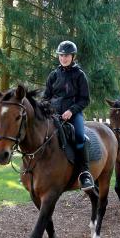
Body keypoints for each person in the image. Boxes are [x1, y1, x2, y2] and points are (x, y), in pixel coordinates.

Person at [43, 40, 95, 191]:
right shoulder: (53, 75)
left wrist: (71, 110)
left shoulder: (80, 75)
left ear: (73, 57)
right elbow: (46, 97)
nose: (63, 58)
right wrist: (46, 108)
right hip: (54, 114)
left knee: (79, 135)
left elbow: (85, 99)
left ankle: (85, 174)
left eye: (66, 55)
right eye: (61, 55)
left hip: (73, 114)